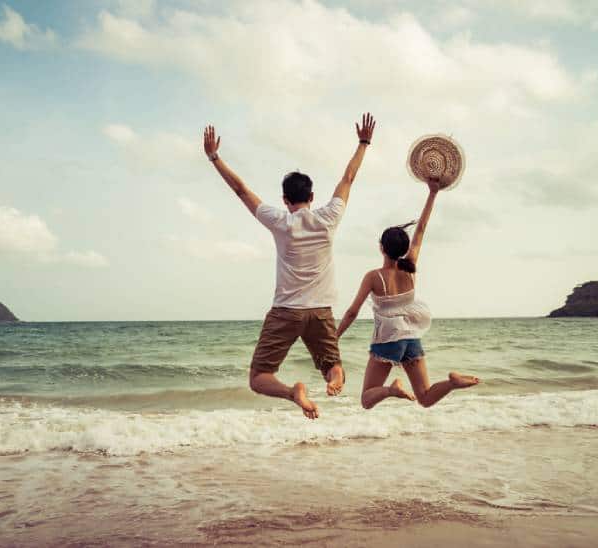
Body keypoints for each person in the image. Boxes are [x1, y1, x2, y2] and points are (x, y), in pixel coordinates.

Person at [203, 113, 377, 419]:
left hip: (286, 310)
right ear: (312, 196)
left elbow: (241, 190)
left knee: (258, 377)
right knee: (332, 366)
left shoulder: (280, 222)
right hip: (321, 311)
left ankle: (291, 393)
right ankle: (334, 378)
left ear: (285, 200)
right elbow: (347, 179)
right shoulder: (328, 218)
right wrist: (363, 143)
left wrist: (214, 157)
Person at [335, 180, 479, 410]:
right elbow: (421, 229)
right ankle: (452, 383)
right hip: (411, 337)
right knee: (425, 397)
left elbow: (352, 311)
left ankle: (392, 390)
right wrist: (433, 193)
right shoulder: (410, 267)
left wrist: (335, 337)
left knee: (366, 399)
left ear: (381, 247)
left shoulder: (374, 276)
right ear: (403, 249)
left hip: (388, 340)